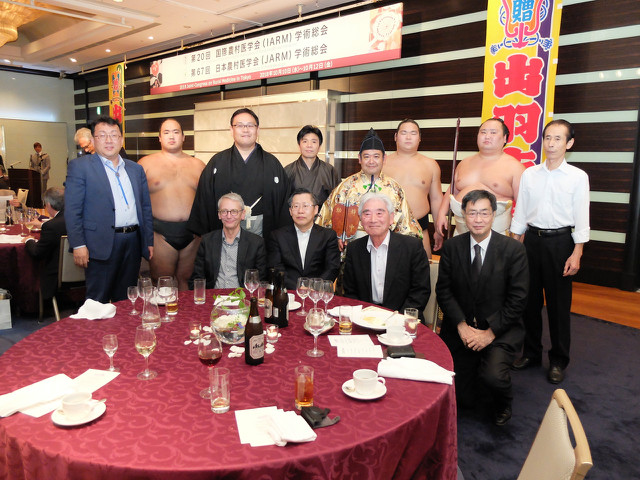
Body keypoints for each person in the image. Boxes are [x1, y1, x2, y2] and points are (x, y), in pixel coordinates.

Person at [437, 189, 528, 426]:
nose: (478, 219)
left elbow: (518, 299)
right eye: (472, 213)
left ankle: (504, 402)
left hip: (499, 330)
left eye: (484, 213)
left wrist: (490, 333)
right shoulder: (452, 247)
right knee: (456, 390)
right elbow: (444, 291)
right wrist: (461, 325)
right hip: (462, 329)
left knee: (493, 378)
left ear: (494, 215)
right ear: (463, 216)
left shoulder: (513, 250)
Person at [510, 119, 590, 384]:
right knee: (529, 302)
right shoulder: (530, 174)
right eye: (547, 138)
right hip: (532, 241)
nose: (551, 143)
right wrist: (514, 243)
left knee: (558, 305)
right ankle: (531, 353)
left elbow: (582, 216)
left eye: (558, 138)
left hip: (561, 243)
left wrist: (577, 252)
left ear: (569, 143)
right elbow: (521, 212)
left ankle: (558, 360)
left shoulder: (577, 177)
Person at [65, 116, 154, 303]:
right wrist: (78, 245)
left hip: (132, 241)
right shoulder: (80, 167)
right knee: (98, 301)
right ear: (93, 139)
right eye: (102, 135)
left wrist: (148, 241)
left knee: (127, 300)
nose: (109, 140)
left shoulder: (135, 169)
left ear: (121, 140)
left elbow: (145, 207)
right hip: (99, 243)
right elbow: (73, 210)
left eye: (114, 135)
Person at [188, 107, 291, 240]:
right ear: (231, 130)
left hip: (261, 232)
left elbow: (283, 202)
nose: (245, 130)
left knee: (260, 252)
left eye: (250, 125)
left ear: (258, 130)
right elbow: (204, 198)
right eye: (240, 125)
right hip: (225, 228)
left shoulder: (272, 163)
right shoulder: (217, 162)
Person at [317, 128, 422, 250]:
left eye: (376, 156)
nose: (371, 161)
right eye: (366, 156)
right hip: (350, 250)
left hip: (387, 248)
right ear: (359, 158)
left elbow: (407, 227)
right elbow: (324, 221)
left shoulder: (394, 189)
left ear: (384, 159)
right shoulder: (345, 187)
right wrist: (335, 238)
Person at [434, 118, 525, 249]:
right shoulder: (464, 163)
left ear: (505, 138)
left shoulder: (515, 167)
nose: (487, 136)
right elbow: (452, 190)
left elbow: (523, 205)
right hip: (460, 233)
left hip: (497, 234)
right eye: (483, 132)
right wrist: (442, 214)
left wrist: (518, 236)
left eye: (493, 132)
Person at [138, 118, 205, 290]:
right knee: (162, 281)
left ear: (183, 137)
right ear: (159, 137)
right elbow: (136, 201)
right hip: (160, 233)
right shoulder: (145, 164)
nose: (171, 136)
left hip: (192, 233)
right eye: (166, 132)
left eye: (176, 132)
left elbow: (206, 200)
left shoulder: (198, 165)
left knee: (187, 281)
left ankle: (186, 310)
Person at [343, 192, 430, 317]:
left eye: (379, 213)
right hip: (365, 318)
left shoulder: (412, 247)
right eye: (367, 214)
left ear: (391, 218)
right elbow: (350, 291)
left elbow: (420, 291)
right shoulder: (354, 248)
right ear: (360, 219)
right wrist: (363, 317)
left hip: (402, 318)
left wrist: (397, 319)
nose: (373, 219)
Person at [383, 119, 443, 257]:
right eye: (404, 133)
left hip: (421, 229)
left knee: (422, 268)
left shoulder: (431, 165)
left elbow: (436, 199)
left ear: (420, 138)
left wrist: (438, 229)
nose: (408, 137)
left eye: (413, 133)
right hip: (387, 230)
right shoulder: (383, 163)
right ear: (396, 137)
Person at [268, 188, 340, 290]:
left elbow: (332, 268)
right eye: (296, 206)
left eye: (305, 206)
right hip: (288, 292)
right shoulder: (277, 236)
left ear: (315, 209)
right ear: (290, 211)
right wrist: (298, 288)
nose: (300, 211)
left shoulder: (328, 236)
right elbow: (276, 269)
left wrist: (314, 288)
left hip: (317, 293)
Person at [191, 193, 266, 289]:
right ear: (219, 215)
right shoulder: (207, 241)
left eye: (234, 211)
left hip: (243, 296)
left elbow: (260, 280)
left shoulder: (256, 243)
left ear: (243, 214)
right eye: (224, 211)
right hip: (213, 296)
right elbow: (197, 278)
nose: (229, 216)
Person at [24, 187, 67, 301]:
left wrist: (29, 240)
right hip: (82, 276)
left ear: (48, 205)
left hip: (56, 278)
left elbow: (37, 253)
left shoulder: (51, 226)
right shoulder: (76, 218)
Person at [284, 125, 340, 207]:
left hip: (321, 215)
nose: (309, 145)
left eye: (314, 142)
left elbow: (337, 201)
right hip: (295, 215)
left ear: (319, 146)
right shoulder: (288, 170)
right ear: (299, 145)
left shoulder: (330, 171)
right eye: (305, 141)